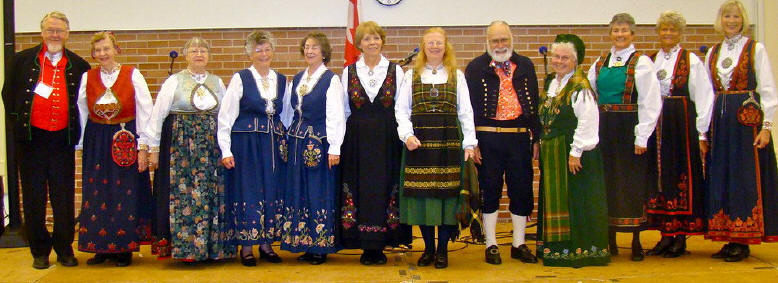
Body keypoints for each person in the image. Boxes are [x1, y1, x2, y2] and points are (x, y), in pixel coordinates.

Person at [1, 11, 90, 269]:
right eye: (50, 30)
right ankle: (39, 251)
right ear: (42, 32)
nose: (54, 35)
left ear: (67, 34)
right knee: (34, 196)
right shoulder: (21, 61)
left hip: (62, 141)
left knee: (63, 197)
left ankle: (64, 249)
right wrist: (20, 124)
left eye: (59, 31)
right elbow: (9, 95)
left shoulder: (79, 65)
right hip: (31, 141)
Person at [147, 37, 235, 262]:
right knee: (184, 196)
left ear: (209, 55)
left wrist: (226, 148)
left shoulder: (217, 82)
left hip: (210, 150)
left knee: (210, 195)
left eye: (203, 50)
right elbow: (158, 116)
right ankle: (187, 249)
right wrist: (153, 148)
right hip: (181, 150)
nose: (199, 54)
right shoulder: (174, 81)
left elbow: (225, 118)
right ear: (186, 55)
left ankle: (211, 249)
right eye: (194, 50)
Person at [396, 27, 477, 269]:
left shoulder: (457, 75)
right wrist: (407, 135)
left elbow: (466, 112)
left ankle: (443, 251)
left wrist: (470, 143)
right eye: (429, 43)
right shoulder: (410, 76)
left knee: (447, 198)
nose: (434, 46)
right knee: (422, 199)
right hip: (419, 144)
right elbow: (401, 111)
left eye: (438, 43)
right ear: (423, 47)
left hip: (448, 142)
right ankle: (428, 250)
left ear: (445, 46)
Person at [704, 0, 778, 262]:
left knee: (744, 178)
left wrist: (767, 127)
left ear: (743, 19)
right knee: (722, 176)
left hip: (747, 124)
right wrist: (704, 132)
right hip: (721, 123)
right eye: (727, 16)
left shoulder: (755, 48)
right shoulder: (713, 51)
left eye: (736, 16)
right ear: (720, 20)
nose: (731, 21)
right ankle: (727, 235)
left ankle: (743, 238)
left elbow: (768, 89)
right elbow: (706, 95)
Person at [587, 13, 662, 261]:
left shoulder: (641, 63)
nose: (619, 35)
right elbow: (588, 95)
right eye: (616, 30)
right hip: (604, 130)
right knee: (606, 182)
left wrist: (642, 136)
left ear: (633, 34)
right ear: (610, 33)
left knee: (631, 184)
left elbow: (651, 102)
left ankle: (636, 240)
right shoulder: (600, 62)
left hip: (629, 129)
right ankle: (609, 238)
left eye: (624, 31)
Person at [464, 20, 539, 265]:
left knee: (521, 189)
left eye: (503, 39)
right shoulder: (475, 68)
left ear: (511, 39)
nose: (500, 44)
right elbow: (468, 109)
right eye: (495, 40)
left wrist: (536, 137)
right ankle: (491, 244)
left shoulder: (526, 65)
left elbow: (535, 105)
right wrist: (472, 142)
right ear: (487, 41)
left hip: (518, 136)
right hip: (487, 136)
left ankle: (519, 243)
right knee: (490, 189)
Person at [75, 31, 153, 267]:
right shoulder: (88, 77)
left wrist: (143, 145)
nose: (102, 54)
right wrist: (80, 142)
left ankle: (123, 247)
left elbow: (145, 110)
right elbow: (82, 110)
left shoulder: (132, 74)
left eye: (106, 49)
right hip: (97, 138)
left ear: (116, 49)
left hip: (125, 137)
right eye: (98, 50)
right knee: (97, 191)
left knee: (124, 191)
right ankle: (100, 247)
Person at [338, 21, 412, 265]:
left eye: (376, 38)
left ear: (382, 41)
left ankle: (381, 244)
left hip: (387, 139)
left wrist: (405, 137)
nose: (372, 43)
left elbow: (402, 109)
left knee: (385, 187)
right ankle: (363, 245)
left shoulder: (395, 71)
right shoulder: (348, 71)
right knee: (359, 188)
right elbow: (343, 112)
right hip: (357, 141)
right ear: (359, 44)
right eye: (367, 39)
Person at [644, 10, 714, 258]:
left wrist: (701, 133)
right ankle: (665, 235)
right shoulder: (651, 60)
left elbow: (704, 98)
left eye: (673, 29)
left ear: (680, 32)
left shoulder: (690, 60)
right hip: (657, 126)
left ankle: (680, 237)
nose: (668, 33)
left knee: (680, 175)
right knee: (660, 177)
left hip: (680, 125)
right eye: (664, 29)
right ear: (658, 32)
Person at [536, 34, 610, 268]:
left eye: (565, 57)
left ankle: (579, 251)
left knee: (576, 201)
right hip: (553, 152)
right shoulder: (552, 82)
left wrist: (576, 152)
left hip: (572, 152)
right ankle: (555, 248)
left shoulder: (579, 86)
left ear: (575, 61)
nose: (559, 61)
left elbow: (587, 120)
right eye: (556, 56)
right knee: (558, 200)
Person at [218, 31, 287, 266]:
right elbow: (225, 117)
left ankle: (266, 244)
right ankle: (246, 247)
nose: (263, 54)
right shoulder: (241, 78)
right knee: (248, 191)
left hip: (272, 145)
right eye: (258, 50)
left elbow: (285, 115)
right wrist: (226, 150)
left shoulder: (281, 79)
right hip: (246, 145)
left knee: (271, 190)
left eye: (267, 49)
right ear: (250, 53)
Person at [280, 32, 345, 265]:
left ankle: (320, 246)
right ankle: (304, 242)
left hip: (320, 143)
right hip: (297, 142)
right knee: (299, 193)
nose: (310, 51)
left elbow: (337, 115)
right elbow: (289, 113)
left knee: (318, 192)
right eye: (307, 47)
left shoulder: (331, 80)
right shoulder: (297, 79)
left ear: (324, 52)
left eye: (315, 47)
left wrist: (335, 147)